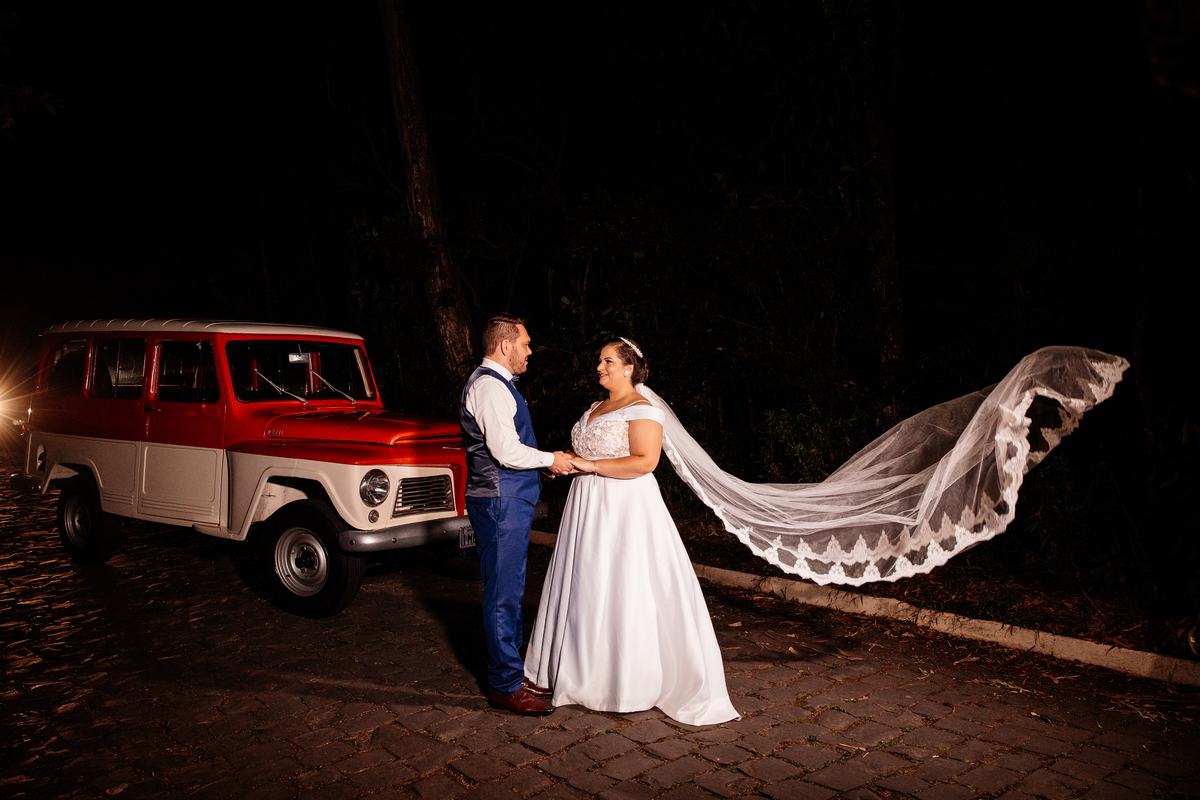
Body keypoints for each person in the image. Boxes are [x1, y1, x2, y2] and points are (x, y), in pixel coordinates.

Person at [524, 337, 740, 726]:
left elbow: (645, 461)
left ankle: (624, 680)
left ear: (628, 368)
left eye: (608, 361)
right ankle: (578, 669)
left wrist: (591, 466)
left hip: (624, 506)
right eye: (599, 361)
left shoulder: (643, 408)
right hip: (585, 505)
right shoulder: (595, 408)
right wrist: (567, 462)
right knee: (585, 580)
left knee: (624, 581)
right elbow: (589, 453)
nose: (599, 367)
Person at [461, 314, 572, 716]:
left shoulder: (497, 384)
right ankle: (505, 685)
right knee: (504, 594)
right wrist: (550, 459)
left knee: (509, 588)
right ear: (505, 346)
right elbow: (506, 452)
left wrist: (542, 464)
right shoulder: (490, 387)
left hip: (506, 499)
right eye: (525, 344)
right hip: (499, 501)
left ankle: (511, 672)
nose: (530, 351)